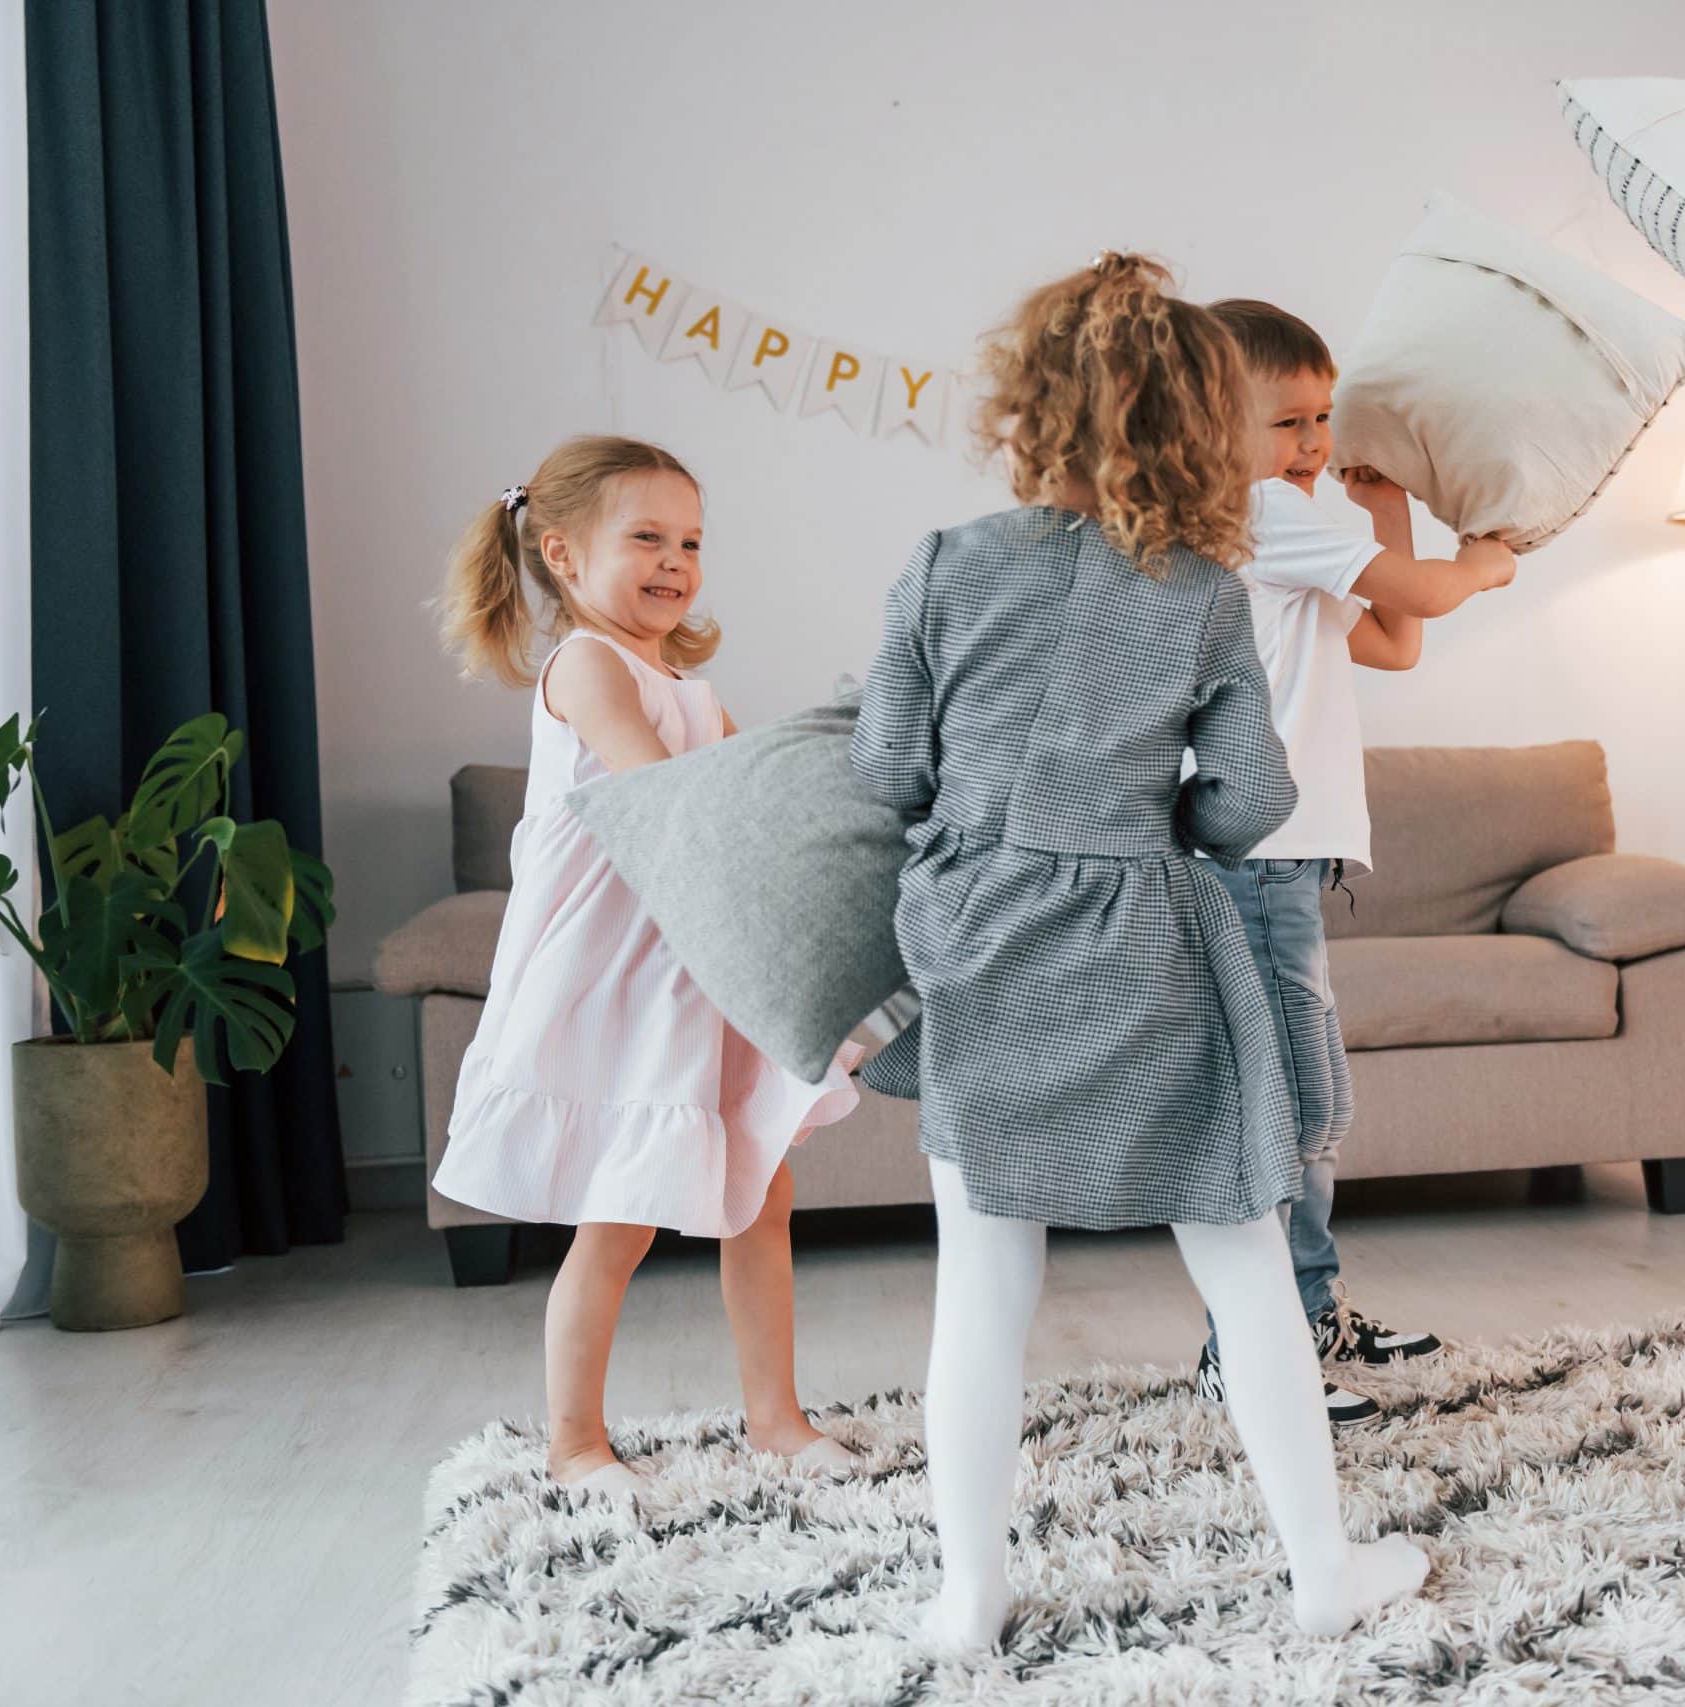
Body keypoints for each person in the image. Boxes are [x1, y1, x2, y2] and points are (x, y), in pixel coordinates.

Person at [851, 255, 1431, 1649]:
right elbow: (1250, 799)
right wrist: (1147, 816)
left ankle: (971, 1587)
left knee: (981, 1278)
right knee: (1241, 1253)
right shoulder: (1198, 590)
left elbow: (885, 768)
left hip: (977, 944)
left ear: (1030, 403)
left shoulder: (943, 564)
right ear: (1193, 418)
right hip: (1140, 943)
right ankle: (1319, 1573)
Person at [433, 435, 862, 1501]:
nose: (676, 561)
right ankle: (576, 1442)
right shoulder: (584, 666)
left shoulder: (693, 683)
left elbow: (741, 808)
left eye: (692, 542)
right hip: (619, 978)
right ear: (564, 555)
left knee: (761, 1196)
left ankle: (777, 1419)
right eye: (648, 539)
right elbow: (664, 795)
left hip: (694, 968)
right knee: (618, 1220)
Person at [1193, 299, 1516, 1426]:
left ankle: (1307, 1309)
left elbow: (1391, 639)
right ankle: (1254, 1344)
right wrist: (1478, 559)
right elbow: (1425, 600)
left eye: (1322, 419)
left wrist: (1385, 513)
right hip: (1261, 858)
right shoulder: (1253, 516)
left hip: (1293, 861)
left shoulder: (1298, 523)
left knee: (1310, 1103)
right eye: (1287, 421)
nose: (1314, 444)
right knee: (1294, 1106)